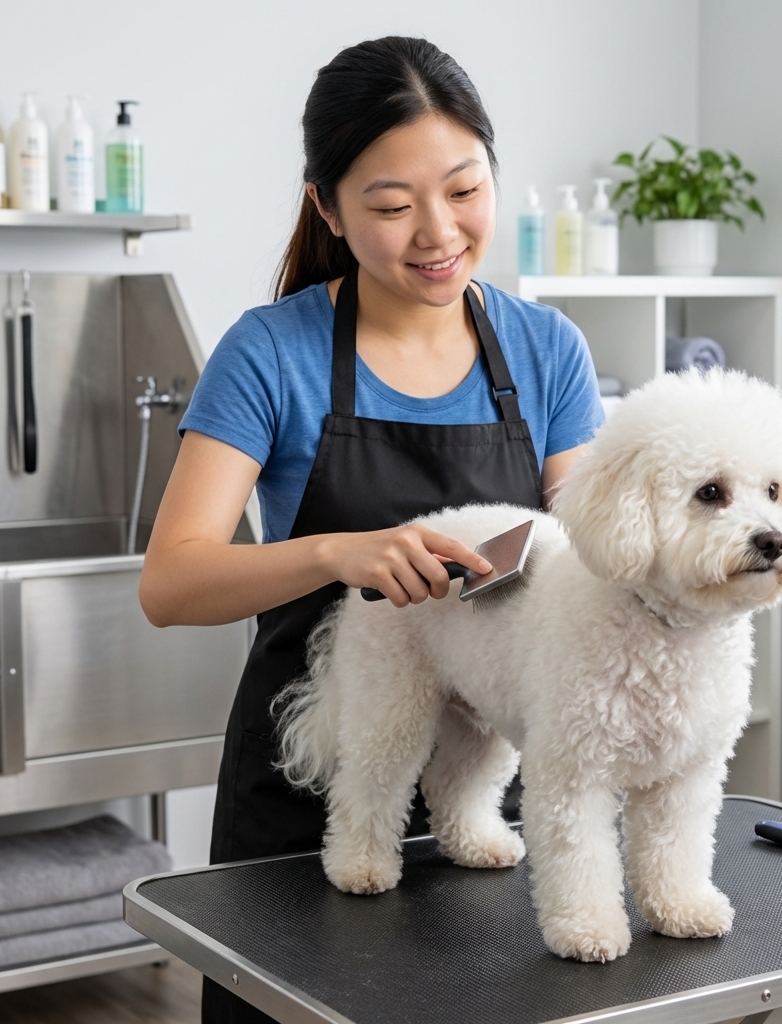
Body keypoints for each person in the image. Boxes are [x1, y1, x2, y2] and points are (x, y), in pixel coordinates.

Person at [140, 35, 603, 1024]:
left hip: (489, 799)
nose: (437, 233)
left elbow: (590, 561)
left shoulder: (545, 349)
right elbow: (169, 584)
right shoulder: (272, 353)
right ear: (328, 207)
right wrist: (335, 553)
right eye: (392, 207)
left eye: (464, 190)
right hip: (305, 803)